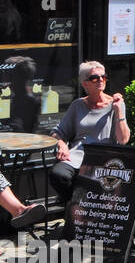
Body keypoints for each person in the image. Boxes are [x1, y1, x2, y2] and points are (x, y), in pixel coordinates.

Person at [48, 60, 130, 202]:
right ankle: (76, 206)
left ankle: (82, 209)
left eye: (103, 77)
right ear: (85, 83)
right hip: (77, 156)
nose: (100, 80)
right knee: (57, 174)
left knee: (94, 180)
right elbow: (58, 133)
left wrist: (119, 112)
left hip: (103, 159)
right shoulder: (78, 105)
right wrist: (61, 144)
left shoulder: (116, 104)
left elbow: (123, 139)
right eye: (94, 78)